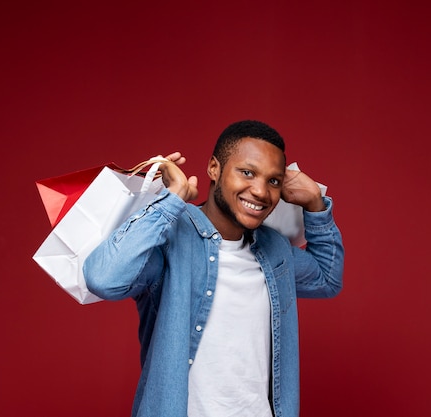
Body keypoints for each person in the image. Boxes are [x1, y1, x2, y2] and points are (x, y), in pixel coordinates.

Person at [83, 120, 344, 417]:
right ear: (214, 169)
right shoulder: (171, 238)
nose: (260, 191)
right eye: (247, 172)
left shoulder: (274, 251)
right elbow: (103, 279)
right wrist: (171, 201)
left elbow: (327, 278)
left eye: (273, 181)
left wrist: (314, 204)